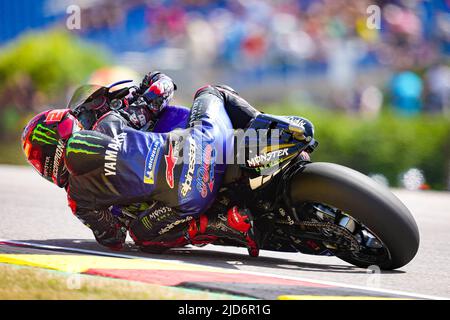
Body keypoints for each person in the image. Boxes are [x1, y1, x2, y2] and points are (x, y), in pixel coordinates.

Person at [21, 71, 261, 257]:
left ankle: (225, 223)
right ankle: (263, 127)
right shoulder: (112, 120)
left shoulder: (78, 199)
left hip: (189, 197)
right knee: (211, 91)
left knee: (142, 236)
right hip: (206, 141)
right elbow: (159, 93)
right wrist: (155, 82)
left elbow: (113, 238)